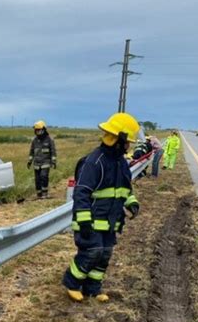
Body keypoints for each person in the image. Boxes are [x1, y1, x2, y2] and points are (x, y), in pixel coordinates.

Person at [62, 112, 140, 302]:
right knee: (92, 252)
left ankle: (92, 288)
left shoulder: (121, 163)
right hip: (91, 221)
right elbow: (81, 193)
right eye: (127, 141)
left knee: (104, 255)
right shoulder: (94, 162)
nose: (129, 145)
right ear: (119, 140)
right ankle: (72, 282)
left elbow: (124, 189)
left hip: (111, 221)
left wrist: (132, 203)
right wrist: (84, 220)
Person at [27, 120, 57, 198]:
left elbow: (53, 151)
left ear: (43, 129)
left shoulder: (49, 139)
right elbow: (31, 151)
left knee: (44, 176)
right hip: (37, 164)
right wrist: (29, 161)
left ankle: (45, 193)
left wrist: (53, 161)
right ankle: (39, 194)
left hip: (46, 162)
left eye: (38, 130)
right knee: (37, 180)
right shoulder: (34, 140)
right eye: (36, 130)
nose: (37, 131)